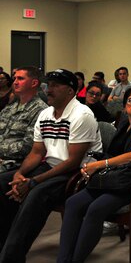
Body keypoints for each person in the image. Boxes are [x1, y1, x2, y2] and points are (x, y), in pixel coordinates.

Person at [57, 86, 131, 263]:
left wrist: (100, 165)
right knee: (73, 203)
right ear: (124, 105)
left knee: (95, 209)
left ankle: (76, 260)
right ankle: (63, 260)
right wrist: (93, 164)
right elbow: (113, 153)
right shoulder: (124, 123)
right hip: (117, 178)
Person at [0, 69, 101, 263]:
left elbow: (72, 161)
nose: (49, 89)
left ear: (70, 91)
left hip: (76, 172)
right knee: (3, 182)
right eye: (49, 85)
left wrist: (32, 182)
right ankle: (4, 247)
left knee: (35, 195)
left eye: (55, 86)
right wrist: (20, 174)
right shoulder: (46, 114)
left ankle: (10, 258)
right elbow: (37, 153)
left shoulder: (82, 115)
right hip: (50, 166)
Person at [0, 67, 48, 172]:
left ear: (34, 83)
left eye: (20, 79)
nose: (15, 82)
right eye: (14, 78)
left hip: (16, 164)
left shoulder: (42, 111)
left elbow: (27, 147)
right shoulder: (10, 107)